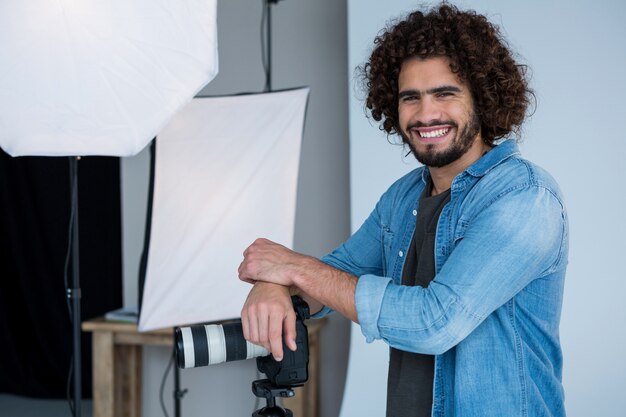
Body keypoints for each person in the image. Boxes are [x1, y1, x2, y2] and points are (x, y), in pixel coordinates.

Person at [238, 3, 568, 416]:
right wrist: (273, 283)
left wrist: (293, 268)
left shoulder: (523, 198)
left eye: (444, 94)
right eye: (411, 98)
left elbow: (434, 323)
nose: (426, 114)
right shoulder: (403, 196)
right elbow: (335, 273)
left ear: (483, 98)